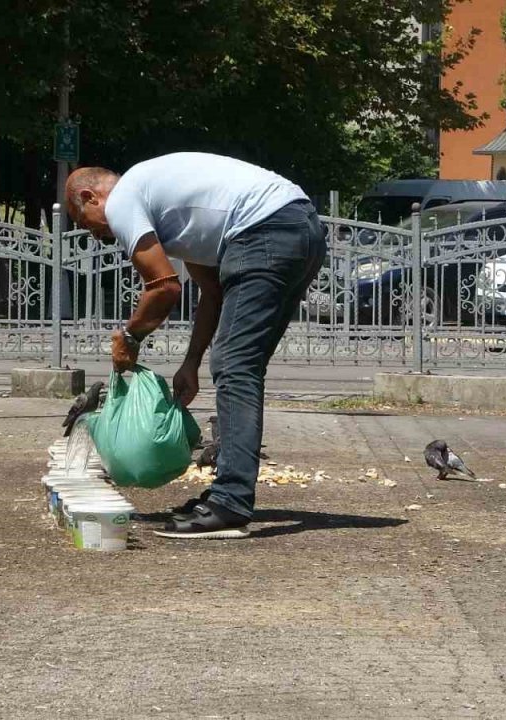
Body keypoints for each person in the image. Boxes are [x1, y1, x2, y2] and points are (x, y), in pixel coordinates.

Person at [64, 152, 327, 539]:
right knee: (241, 366)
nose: (95, 235)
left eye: (84, 222)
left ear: (90, 197)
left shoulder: (122, 200)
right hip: (300, 228)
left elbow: (163, 287)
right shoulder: (173, 213)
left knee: (235, 367)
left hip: (266, 230)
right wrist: (191, 362)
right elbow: (212, 292)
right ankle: (229, 494)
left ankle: (231, 503)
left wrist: (130, 337)